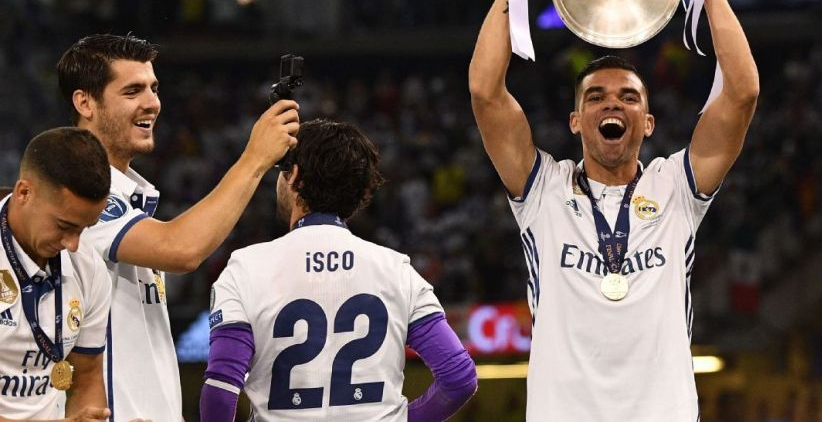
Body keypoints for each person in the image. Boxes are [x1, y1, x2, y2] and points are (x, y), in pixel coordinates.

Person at [469, 0, 759, 421]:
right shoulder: (542, 189)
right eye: (596, 97)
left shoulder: (676, 187)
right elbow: (484, 91)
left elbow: (743, 93)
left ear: (647, 122)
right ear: (576, 120)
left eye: (628, 97)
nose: (612, 104)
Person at [56, 34, 300, 421]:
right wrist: (255, 158)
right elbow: (181, 249)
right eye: (132, 91)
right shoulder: (73, 190)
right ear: (84, 103)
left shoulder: (127, 195)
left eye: (153, 88)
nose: (152, 102)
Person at [201, 119, 477, 421]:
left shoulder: (246, 267)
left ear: (295, 176)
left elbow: (221, 389)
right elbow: (459, 378)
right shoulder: (398, 270)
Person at [0, 128, 112, 421]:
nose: (73, 244)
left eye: (84, 228)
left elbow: (87, 377)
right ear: (24, 193)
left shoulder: (88, 266)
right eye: (64, 226)